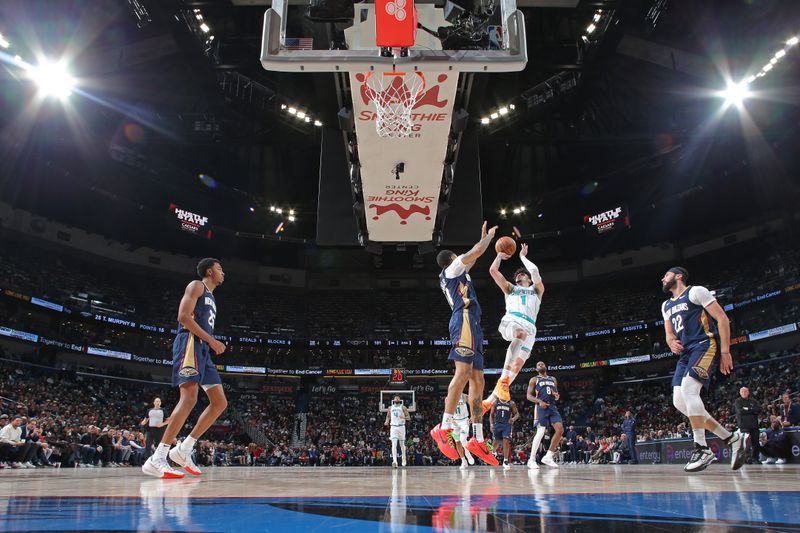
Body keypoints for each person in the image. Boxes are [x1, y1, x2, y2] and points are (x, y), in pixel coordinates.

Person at [142, 258, 228, 479]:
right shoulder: (196, 285)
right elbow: (182, 317)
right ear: (209, 271)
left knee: (219, 403)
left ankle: (183, 449)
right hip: (190, 343)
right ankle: (158, 458)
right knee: (189, 397)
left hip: (203, 350)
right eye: (219, 269)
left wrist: (208, 344)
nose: (223, 273)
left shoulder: (212, 296)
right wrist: (212, 341)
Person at [661, 266, 747, 472]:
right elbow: (669, 334)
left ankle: (702, 448)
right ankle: (732, 438)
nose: (662, 279)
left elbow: (722, 319)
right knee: (679, 401)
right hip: (685, 353)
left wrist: (725, 352)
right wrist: (671, 342)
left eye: (666, 275)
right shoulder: (665, 305)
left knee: (690, 390)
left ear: (679, 276)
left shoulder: (696, 291)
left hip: (704, 344)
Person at [430, 222, 499, 466]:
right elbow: (474, 254)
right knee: (463, 372)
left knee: (478, 380)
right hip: (464, 320)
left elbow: (472, 259)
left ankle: (477, 438)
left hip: (474, 324)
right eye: (459, 258)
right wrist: (489, 238)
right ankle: (444, 426)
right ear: (452, 259)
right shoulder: (450, 271)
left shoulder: (458, 272)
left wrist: (480, 242)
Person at [483, 244, 544, 411]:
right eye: (517, 274)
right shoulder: (510, 289)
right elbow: (493, 272)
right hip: (512, 320)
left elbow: (536, 271)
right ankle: (503, 381)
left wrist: (523, 257)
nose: (519, 275)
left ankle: (489, 401)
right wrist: (498, 257)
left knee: (517, 366)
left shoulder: (537, 290)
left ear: (529, 279)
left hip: (531, 328)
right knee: (520, 333)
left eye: (523, 274)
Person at [526, 361, 563, 468]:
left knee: (560, 430)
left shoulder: (553, 379)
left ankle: (548, 456)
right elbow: (528, 396)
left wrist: (556, 396)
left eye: (542, 364)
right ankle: (531, 459)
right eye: (538, 365)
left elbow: (555, 393)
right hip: (540, 407)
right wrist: (539, 401)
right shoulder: (534, 379)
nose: (541, 365)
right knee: (541, 431)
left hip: (552, 406)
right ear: (536, 369)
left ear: (546, 367)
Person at [734, 387, 762, 464]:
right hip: (743, 425)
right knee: (746, 443)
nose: (744, 393)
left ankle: (755, 458)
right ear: (740, 393)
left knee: (755, 442)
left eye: (746, 391)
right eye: (742, 391)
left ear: (748, 392)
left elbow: (759, 409)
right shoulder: (738, 401)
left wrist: (747, 409)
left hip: (754, 424)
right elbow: (740, 411)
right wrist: (751, 410)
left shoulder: (753, 401)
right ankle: (747, 458)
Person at [489, 398, 520, 469]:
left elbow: (517, 414)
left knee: (506, 441)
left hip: (507, 425)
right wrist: (491, 424)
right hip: (497, 424)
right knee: (495, 442)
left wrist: (513, 419)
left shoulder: (511, 403)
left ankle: (505, 461)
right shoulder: (496, 402)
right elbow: (491, 414)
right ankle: (492, 454)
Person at [384, 395, 410, 467]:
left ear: (400, 400)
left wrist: (404, 417)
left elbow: (408, 417)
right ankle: (394, 461)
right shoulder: (390, 408)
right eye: (395, 398)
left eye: (398, 398)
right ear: (393, 400)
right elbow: (388, 416)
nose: (397, 399)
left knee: (402, 445)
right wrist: (386, 421)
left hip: (401, 427)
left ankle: (403, 458)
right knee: (394, 444)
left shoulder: (403, 407)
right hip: (393, 427)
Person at [452, 393, 475, 470]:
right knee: (457, 442)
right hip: (454, 423)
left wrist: (472, 416)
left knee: (462, 439)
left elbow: (472, 405)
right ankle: (463, 461)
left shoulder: (464, 396)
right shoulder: (448, 398)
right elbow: (447, 411)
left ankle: (468, 455)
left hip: (464, 421)